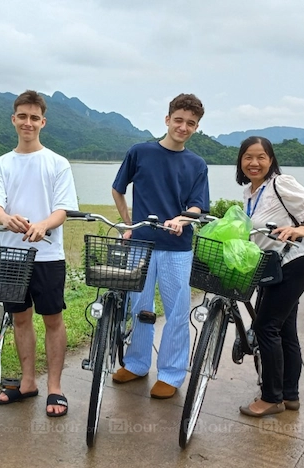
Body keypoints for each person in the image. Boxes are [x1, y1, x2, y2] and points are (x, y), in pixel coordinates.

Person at [110, 93, 210, 399]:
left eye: (190, 123)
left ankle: (171, 373)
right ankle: (138, 363)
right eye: (178, 120)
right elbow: (118, 189)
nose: (183, 127)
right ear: (167, 120)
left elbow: (198, 207)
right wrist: (128, 223)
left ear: (196, 128)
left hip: (177, 248)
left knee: (177, 311)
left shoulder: (196, 164)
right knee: (139, 306)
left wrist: (182, 219)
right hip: (141, 244)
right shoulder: (140, 152)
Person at [0, 90, 79, 417]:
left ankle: (55, 387)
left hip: (48, 256)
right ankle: (28, 382)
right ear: (14, 120)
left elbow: (63, 210)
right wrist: (5, 218)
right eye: (22, 116)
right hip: (11, 256)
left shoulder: (57, 163)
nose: (28, 122)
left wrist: (42, 225)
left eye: (34, 117)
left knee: (53, 319)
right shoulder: (1, 164)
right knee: (20, 318)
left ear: (43, 122)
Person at [235, 136, 304, 417]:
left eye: (261, 157)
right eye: (248, 157)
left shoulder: (281, 183)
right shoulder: (251, 193)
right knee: (285, 330)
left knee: (266, 328)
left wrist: (302, 230)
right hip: (273, 267)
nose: (254, 163)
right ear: (240, 162)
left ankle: (271, 398)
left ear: (271, 160)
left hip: (293, 264)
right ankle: (290, 395)